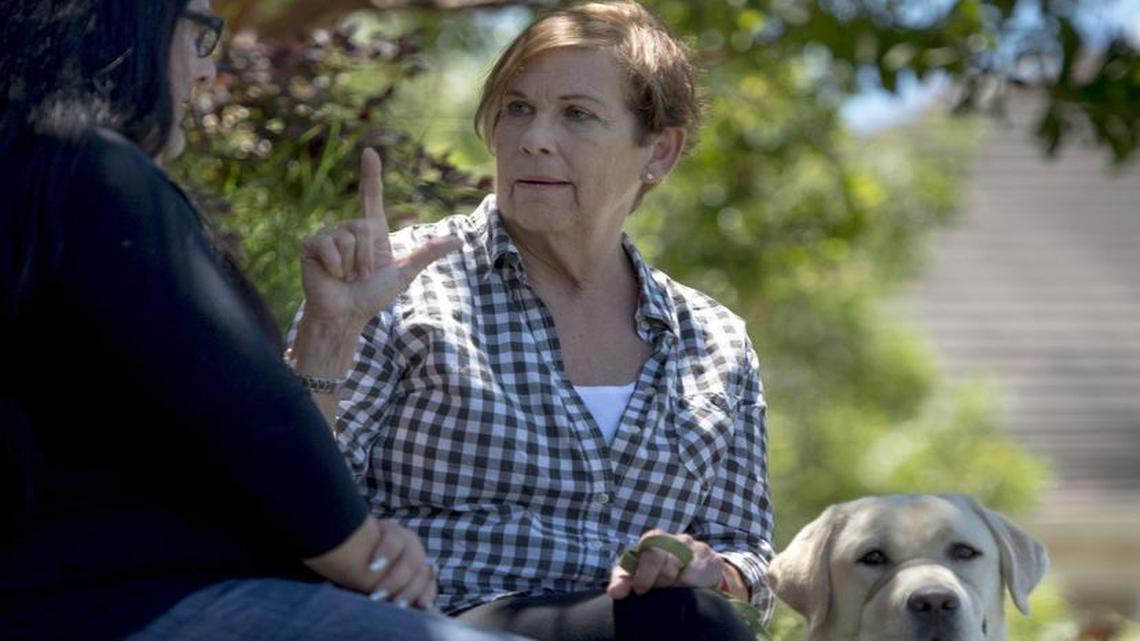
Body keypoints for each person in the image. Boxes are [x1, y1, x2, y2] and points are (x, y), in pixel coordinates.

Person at [0, 2, 528, 640]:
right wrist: (368, 552)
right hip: (136, 605)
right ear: (123, 28)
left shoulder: (43, 182)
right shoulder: (91, 170)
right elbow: (250, 424)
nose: (204, 69)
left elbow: (233, 436)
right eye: (196, 33)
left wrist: (332, 332)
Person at [293, 2, 775, 639]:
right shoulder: (397, 289)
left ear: (658, 151)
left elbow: (751, 559)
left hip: (653, 625)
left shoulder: (715, 342)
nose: (533, 138)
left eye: (576, 114)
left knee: (688, 616)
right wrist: (328, 335)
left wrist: (709, 570)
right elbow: (289, 504)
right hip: (434, 621)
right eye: (517, 108)